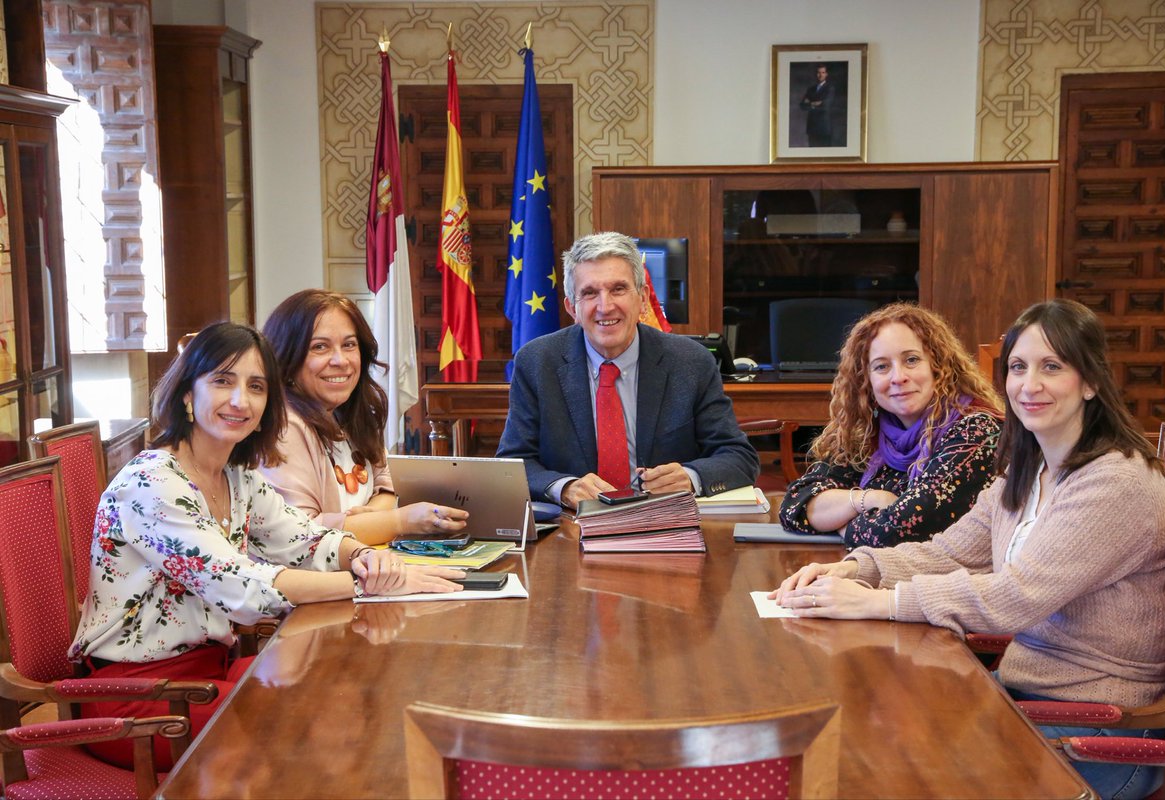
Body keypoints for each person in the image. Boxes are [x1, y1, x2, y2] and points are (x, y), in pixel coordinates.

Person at [772, 299, 1165, 800]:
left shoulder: (1114, 482)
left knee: (885, 772)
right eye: (1018, 367)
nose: (1029, 385)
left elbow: (1015, 597)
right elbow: (950, 551)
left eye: (1052, 367)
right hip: (1023, 701)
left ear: (1091, 381)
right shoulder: (1030, 469)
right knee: (865, 745)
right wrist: (857, 570)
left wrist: (882, 602)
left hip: (1096, 736)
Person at [68, 322, 464, 769]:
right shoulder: (151, 482)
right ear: (186, 395)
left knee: (343, 693)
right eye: (222, 380)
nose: (241, 400)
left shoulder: (237, 476)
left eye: (256, 387)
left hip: (210, 676)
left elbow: (304, 538)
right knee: (303, 725)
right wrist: (366, 583)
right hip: (137, 701)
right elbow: (242, 587)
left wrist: (365, 555)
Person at [496, 231, 759, 509]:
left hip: (664, 524)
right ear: (572, 307)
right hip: (573, 528)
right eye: (589, 293)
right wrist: (564, 487)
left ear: (643, 298)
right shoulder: (537, 362)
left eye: (618, 289)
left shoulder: (690, 362)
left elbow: (738, 456)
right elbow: (512, 462)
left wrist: (691, 477)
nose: (605, 306)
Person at [779, 303, 1002, 548]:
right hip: (871, 573)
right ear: (866, 381)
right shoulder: (866, 433)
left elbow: (900, 530)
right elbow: (796, 506)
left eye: (912, 360)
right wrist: (868, 499)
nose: (898, 377)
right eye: (882, 366)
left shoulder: (976, 431)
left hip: (946, 581)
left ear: (938, 367)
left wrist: (843, 525)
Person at [258, 289, 467, 545]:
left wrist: (372, 519)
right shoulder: (284, 427)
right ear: (287, 358)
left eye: (349, 345)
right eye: (320, 347)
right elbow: (302, 534)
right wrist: (399, 522)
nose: (341, 360)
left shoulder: (350, 412)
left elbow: (388, 486)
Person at [800, 63, 834, 147]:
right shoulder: (810, 89)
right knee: (812, 156)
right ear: (816, 74)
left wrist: (810, 103)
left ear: (826, 74)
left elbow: (826, 105)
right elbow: (802, 105)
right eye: (818, 72)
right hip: (812, 127)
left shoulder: (830, 88)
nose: (820, 75)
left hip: (824, 127)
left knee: (825, 156)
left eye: (822, 72)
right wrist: (816, 103)